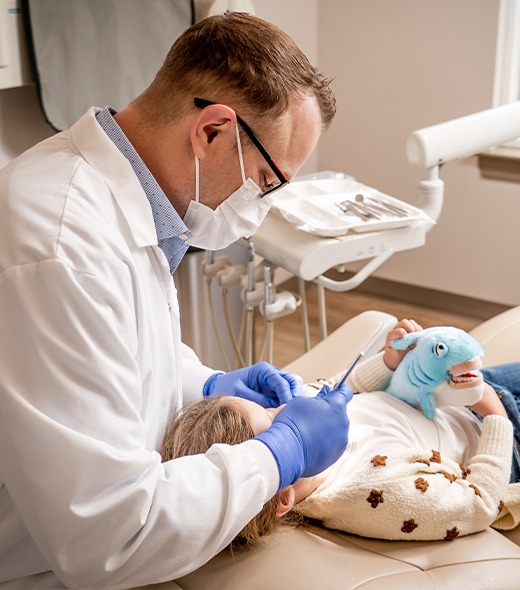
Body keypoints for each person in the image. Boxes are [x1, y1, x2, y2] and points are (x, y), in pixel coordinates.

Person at [0, 12, 353, 590]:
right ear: (212, 131)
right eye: (268, 181)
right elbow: (109, 538)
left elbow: (111, 362)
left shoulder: (127, 209)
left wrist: (205, 384)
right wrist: (280, 454)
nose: (262, 203)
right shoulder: (62, 245)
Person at [162, 319, 520, 547]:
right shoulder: (371, 492)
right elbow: (478, 503)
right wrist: (496, 416)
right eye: (277, 422)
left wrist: (387, 364)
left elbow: (342, 389)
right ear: (284, 496)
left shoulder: (310, 433)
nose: (290, 407)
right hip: (500, 437)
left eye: (270, 405)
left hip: (444, 396)